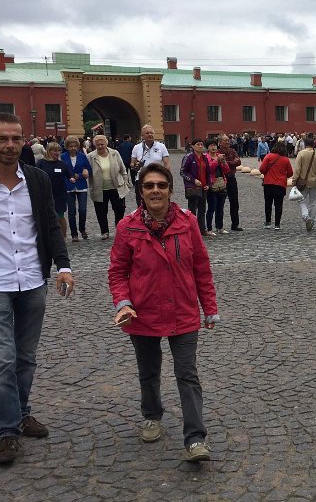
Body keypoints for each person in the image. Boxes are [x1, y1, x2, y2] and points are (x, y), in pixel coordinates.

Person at [0, 113, 73, 465]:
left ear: (23, 141)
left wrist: (63, 266)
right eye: (2, 139)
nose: (9, 145)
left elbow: (50, 227)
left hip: (33, 280)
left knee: (26, 357)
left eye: (15, 139)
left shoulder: (36, 179)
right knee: (3, 359)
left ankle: (21, 412)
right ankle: (7, 430)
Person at [108, 163, 218, 462]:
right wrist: (123, 302)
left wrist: (209, 307)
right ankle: (152, 415)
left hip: (182, 311)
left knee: (187, 374)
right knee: (149, 371)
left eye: (161, 185)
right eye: (149, 186)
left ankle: (195, 438)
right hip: (142, 313)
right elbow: (118, 273)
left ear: (170, 189)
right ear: (141, 192)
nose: (155, 190)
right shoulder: (127, 227)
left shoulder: (188, 222)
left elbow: (201, 268)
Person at [88, 134, 131, 239]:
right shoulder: (90, 157)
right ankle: (104, 231)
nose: (100, 146)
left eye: (102, 144)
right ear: (95, 145)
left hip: (116, 186)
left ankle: (119, 228)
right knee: (101, 211)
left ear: (106, 144)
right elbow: (87, 171)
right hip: (99, 188)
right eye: (98, 145)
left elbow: (122, 168)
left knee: (119, 209)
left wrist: (125, 180)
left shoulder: (114, 153)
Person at [37, 141, 77, 240]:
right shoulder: (41, 163)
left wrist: (72, 178)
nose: (57, 152)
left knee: (59, 215)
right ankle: (47, 236)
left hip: (59, 194)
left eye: (59, 150)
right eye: (55, 150)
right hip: (45, 193)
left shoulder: (62, 164)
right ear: (49, 151)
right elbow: (36, 176)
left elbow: (69, 175)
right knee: (46, 216)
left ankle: (63, 237)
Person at [180, 138, 214, 236]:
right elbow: (182, 172)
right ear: (193, 146)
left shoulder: (204, 158)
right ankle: (192, 230)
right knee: (192, 210)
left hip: (203, 187)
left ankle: (202, 229)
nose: (200, 146)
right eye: (198, 144)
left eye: (201, 144)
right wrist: (193, 180)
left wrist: (208, 184)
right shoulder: (189, 157)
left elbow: (208, 173)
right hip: (193, 187)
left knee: (202, 209)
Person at [61, 136, 91, 241]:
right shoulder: (63, 157)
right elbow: (61, 171)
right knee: (71, 211)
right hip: (68, 187)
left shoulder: (82, 156)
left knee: (82, 209)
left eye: (75, 146)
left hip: (81, 186)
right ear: (67, 147)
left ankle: (82, 229)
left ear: (78, 146)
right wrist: (69, 177)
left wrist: (82, 174)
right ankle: (74, 233)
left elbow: (89, 169)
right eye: (70, 146)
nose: (73, 148)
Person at [131, 125, 171, 206]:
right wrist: (135, 164)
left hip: (157, 178)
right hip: (141, 179)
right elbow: (132, 164)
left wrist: (166, 176)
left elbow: (167, 163)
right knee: (142, 204)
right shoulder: (137, 147)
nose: (150, 135)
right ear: (142, 136)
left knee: (158, 202)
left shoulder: (161, 146)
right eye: (147, 133)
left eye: (151, 133)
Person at [259, 141, 293, 229]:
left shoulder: (269, 156)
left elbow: (261, 169)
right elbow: (290, 173)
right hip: (280, 185)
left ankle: (268, 222)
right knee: (278, 205)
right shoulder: (286, 159)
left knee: (268, 203)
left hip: (268, 183)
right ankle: (277, 224)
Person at [294, 133, 316, 231]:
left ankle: (306, 216)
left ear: (305, 144)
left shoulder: (301, 154)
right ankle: (312, 220)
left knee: (301, 200)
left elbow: (297, 169)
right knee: (313, 202)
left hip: (303, 181)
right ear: (314, 144)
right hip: (314, 181)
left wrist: (294, 180)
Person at [218, 135, 243, 231]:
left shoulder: (232, 151)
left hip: (232, 178)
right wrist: (232, 162)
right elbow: (218, 163)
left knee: (234, 202)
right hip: (221, 179)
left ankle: (235, 224)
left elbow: (238, 162)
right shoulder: (217, 152)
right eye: (225, 141)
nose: (228, 142)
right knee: (220, 203)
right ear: (220, 142)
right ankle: (219, 225)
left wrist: (225, 162)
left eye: (228, 140)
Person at [205, 140, 230, 234]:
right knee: (212, 208)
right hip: (212, 185)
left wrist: (223, 162)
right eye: (211, 146)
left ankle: (220, 227)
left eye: (215, 145)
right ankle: (209, 228)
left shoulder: (220, 156)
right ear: (207, 148)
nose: (213, 147)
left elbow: (227, 170)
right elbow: (209, 169)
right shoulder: (206, 157)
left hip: (221, 183)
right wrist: (216, 160)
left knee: (220, 208)